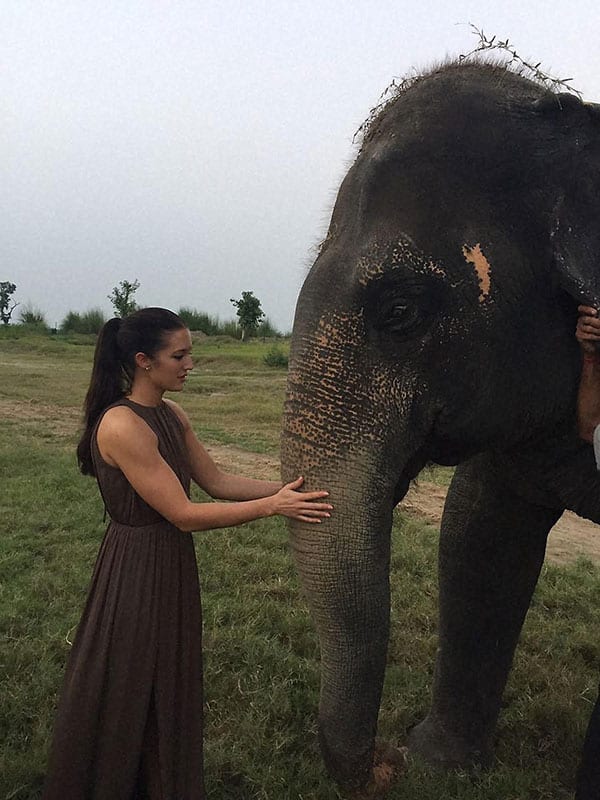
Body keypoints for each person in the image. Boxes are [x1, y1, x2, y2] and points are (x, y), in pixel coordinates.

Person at [42, 307, 332, 800]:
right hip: (135, 568)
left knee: (167, 675)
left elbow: (215, 482)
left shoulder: (172, 415)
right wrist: (273, 507)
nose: (190, 363)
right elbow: (182, 513)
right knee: (130, 676)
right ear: (143, 361)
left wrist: (290, 489)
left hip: (170, 562)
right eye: (179, 355)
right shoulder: (121, 426)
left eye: (190, 352)